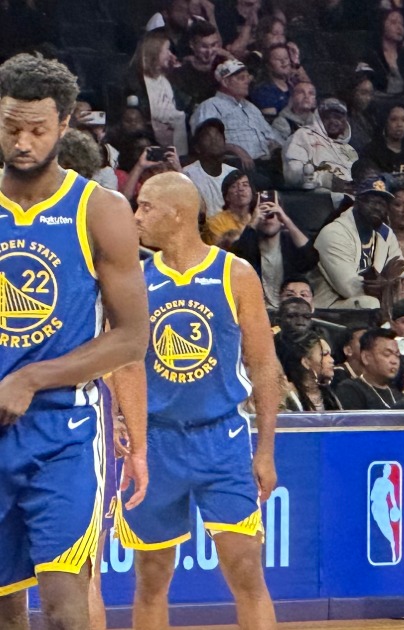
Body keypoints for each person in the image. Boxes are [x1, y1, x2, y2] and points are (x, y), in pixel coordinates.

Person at [0, 53, 150, 630]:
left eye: (37, 129)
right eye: (11, 126)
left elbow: (132, 339)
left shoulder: (100, 211)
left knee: (66, 605)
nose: (22, 141)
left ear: (65, 125)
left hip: (63, 431)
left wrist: (31, 377)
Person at [119, 172, 280, 630]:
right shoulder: (135, 280)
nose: (137, 216)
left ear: (177, 213)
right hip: (155, 441)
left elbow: (265, 366)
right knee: (151, 576)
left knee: (246, 568)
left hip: (221, 439)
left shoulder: (235, 274)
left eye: (146, 206)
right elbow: (121, 363)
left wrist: (266, 448)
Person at [312, 176, 404, 310]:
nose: (377, 208)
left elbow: (401, 269)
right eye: (372, 202)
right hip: (330, 305)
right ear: (357, 202)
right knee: (370, 304)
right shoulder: (334, 233)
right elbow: (349, 289)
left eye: (382, 204)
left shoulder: (385, 233)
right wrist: (387, 284)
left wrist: (387, 284)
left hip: (379, 298)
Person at [335, 329, 403, 410]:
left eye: (397, 355)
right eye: (387, 354)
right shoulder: (350, 389)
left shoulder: (398, 396)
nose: (394, 361)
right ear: (366, 357)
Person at [281, 329, 341, 411]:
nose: (332, 360)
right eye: (324, 354)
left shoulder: (329, 395)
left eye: (330, 355)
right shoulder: (288, 394)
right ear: (305, 362)